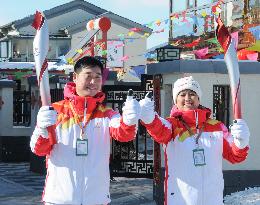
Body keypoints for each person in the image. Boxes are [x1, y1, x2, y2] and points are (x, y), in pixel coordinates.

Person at [30, 56, 140, 205]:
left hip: (96, 199)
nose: (93, 82)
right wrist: (42, 128)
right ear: (75, 77)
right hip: (59, 199)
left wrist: (130, 120)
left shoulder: (107, 113)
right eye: (88, 76)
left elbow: (124, 135)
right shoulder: (55, 112)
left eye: (97, 77)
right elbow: (39, 150)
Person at [139, 76, 250, 205]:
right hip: (180, 200)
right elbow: (159, 130)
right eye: (182, 94)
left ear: (198, 98)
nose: (187, 98)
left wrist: (241, 142)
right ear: (176, 100)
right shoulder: (171, 125)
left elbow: (235, 156)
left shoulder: (217, 127)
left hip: (212, 200)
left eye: (192, 94)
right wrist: (149, 119)